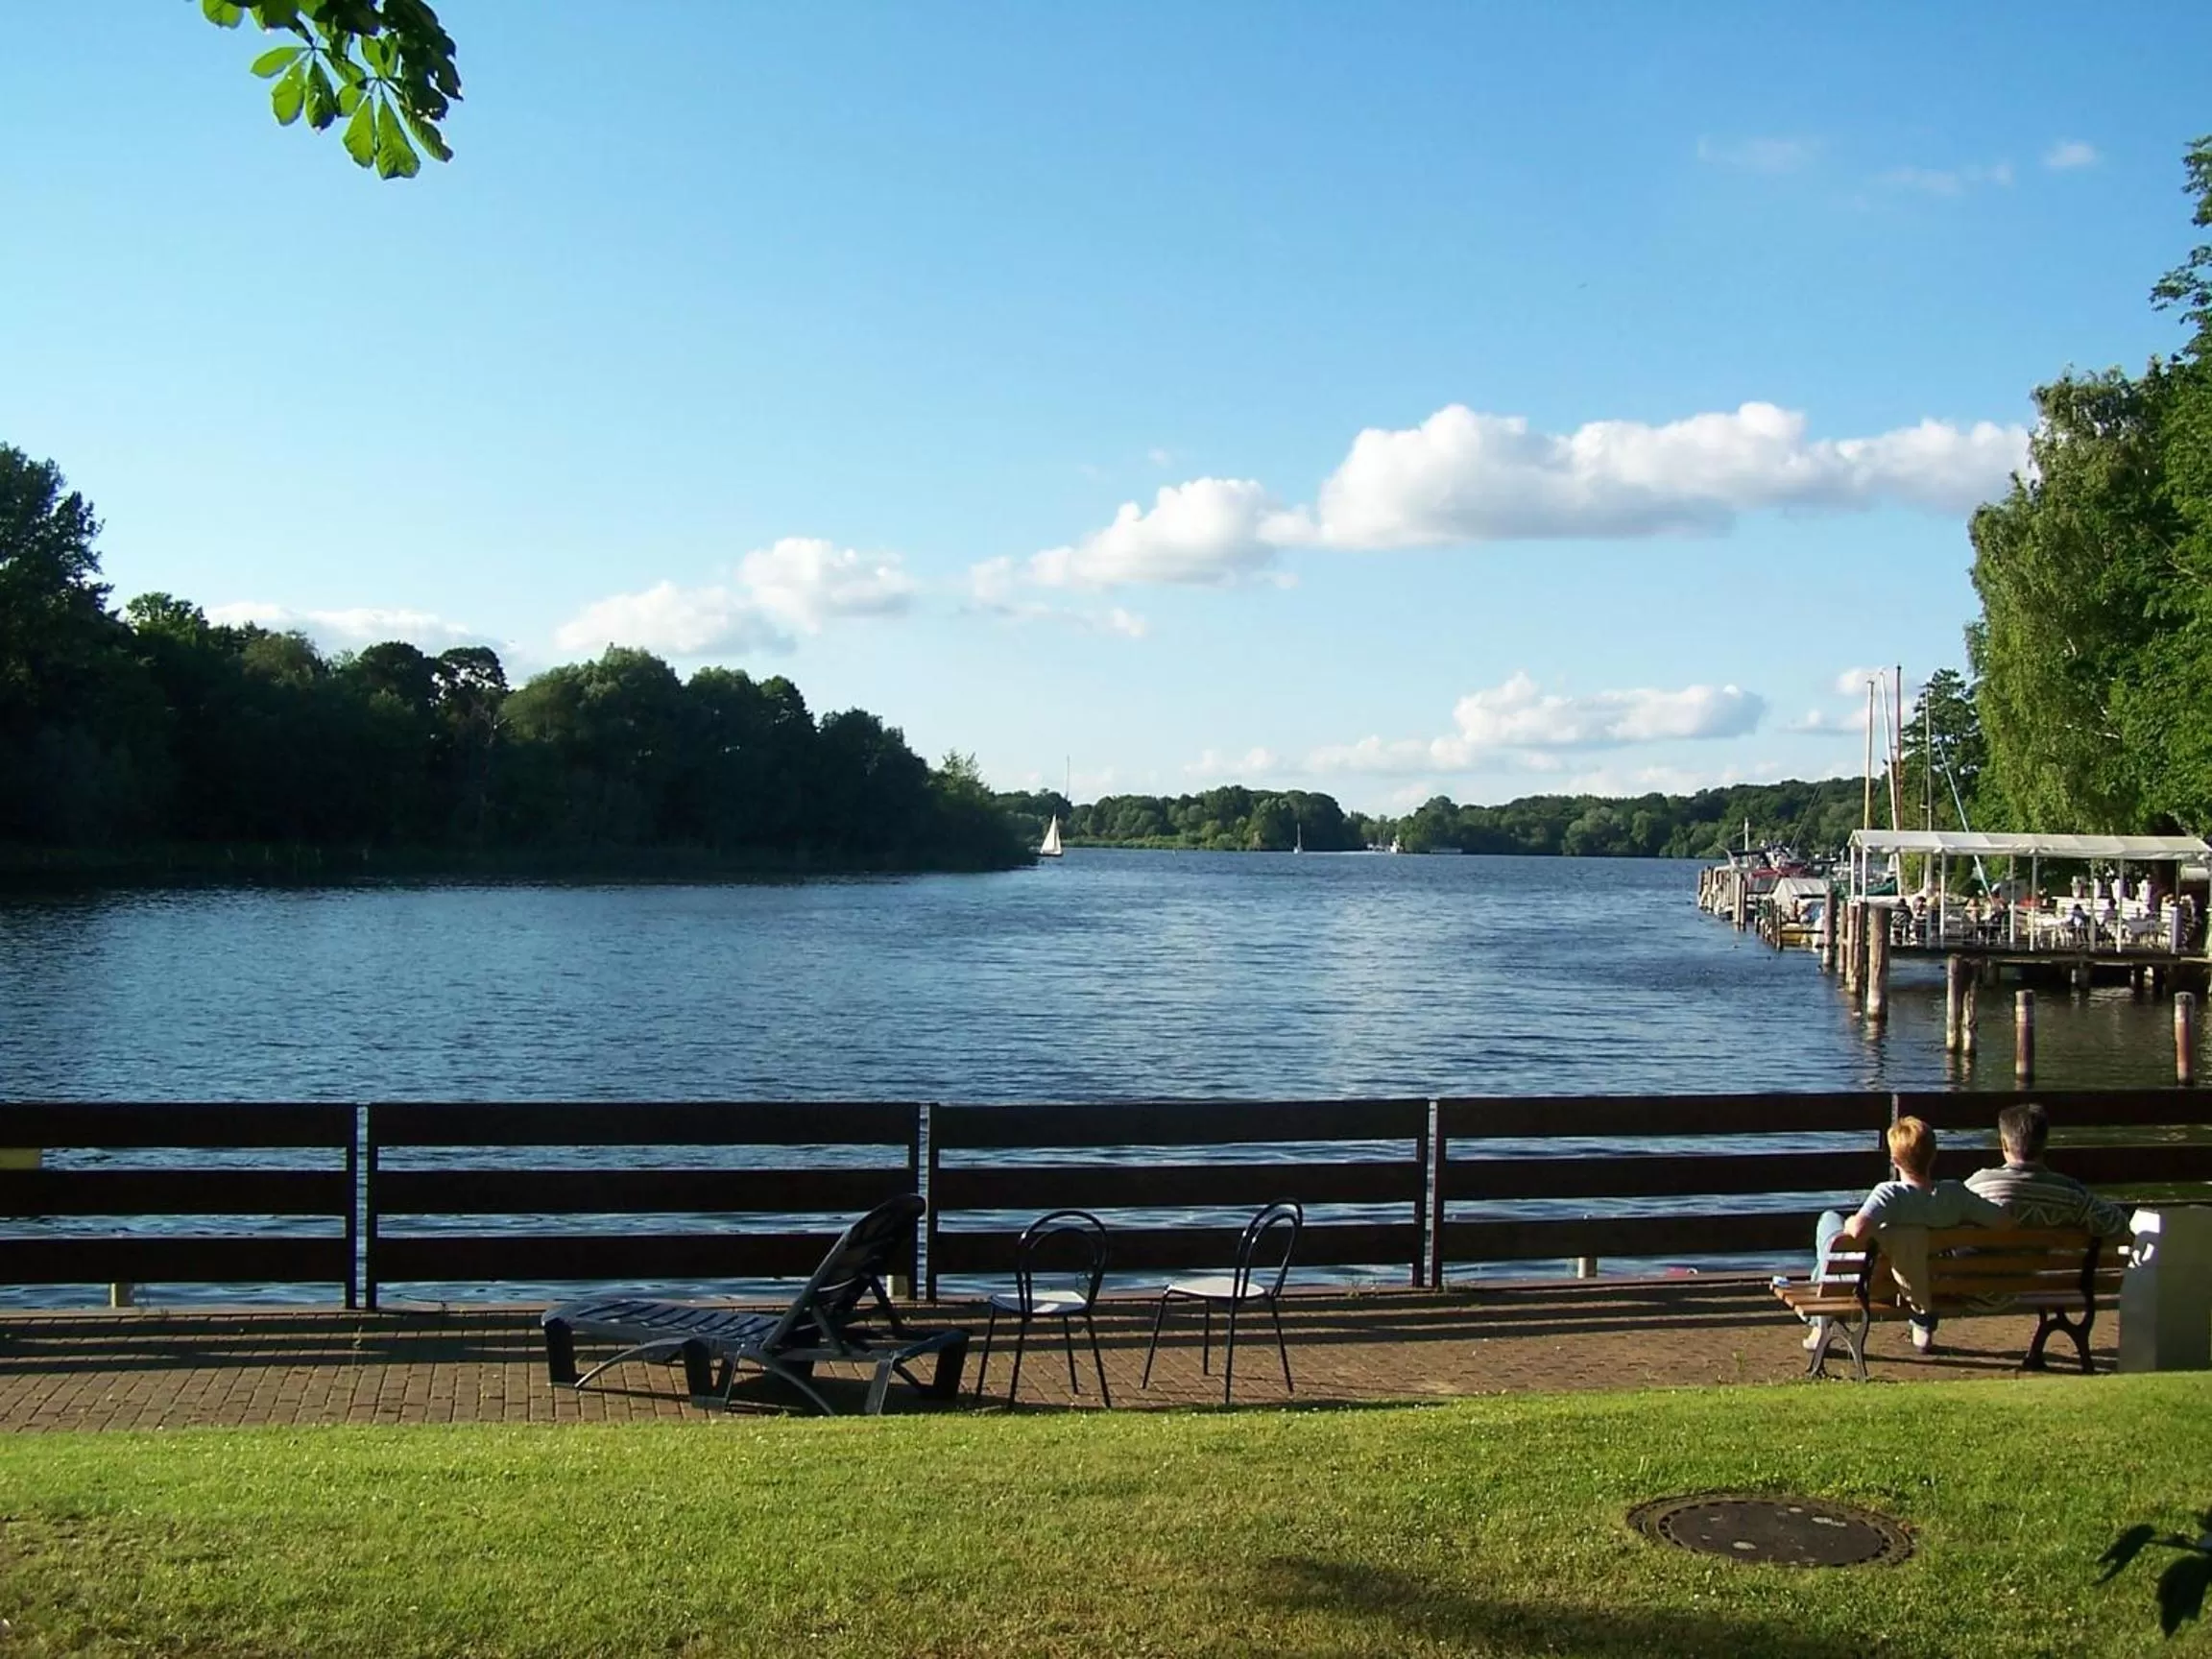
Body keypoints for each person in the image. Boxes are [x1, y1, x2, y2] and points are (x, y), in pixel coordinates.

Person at [1807, 1116, 2004, 1354]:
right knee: (1915, 1251)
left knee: (1829, 1220)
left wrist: (1848, 1222)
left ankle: (1820, 1326)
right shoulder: (1955, 1194)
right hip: (1930, 1284)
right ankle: (1923, 1328)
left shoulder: (1889, 1194)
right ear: (1933, 1156)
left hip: (1875, 1284)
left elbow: (1857, 1231)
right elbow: (2004, 1221)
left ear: (1894, 1160)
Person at [1965, 1102, 2131, 1237]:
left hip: (1986, 1275)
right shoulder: (2071, 1195)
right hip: (2053, 1276)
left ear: (2003, 1143)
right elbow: (2118, 1225)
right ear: (2045, 1143)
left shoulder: (1978, 1188)